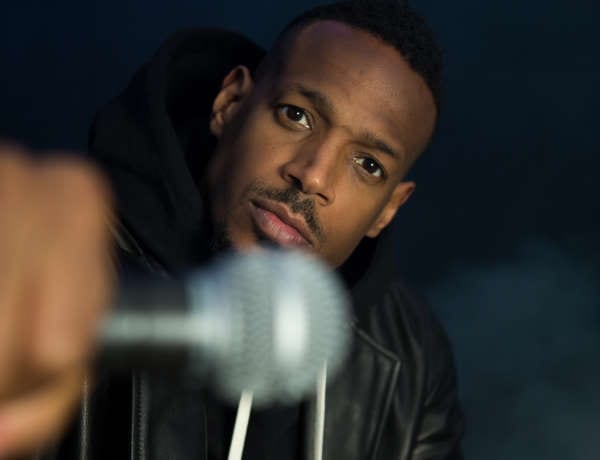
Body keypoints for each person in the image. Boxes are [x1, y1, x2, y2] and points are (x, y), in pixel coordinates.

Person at [0, 0, 464, 458]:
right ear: (231, 103)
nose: (314, 176)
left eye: (368, 165)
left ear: (388, 210)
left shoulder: (412, 362)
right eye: (297, 115)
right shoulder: (48, 264)